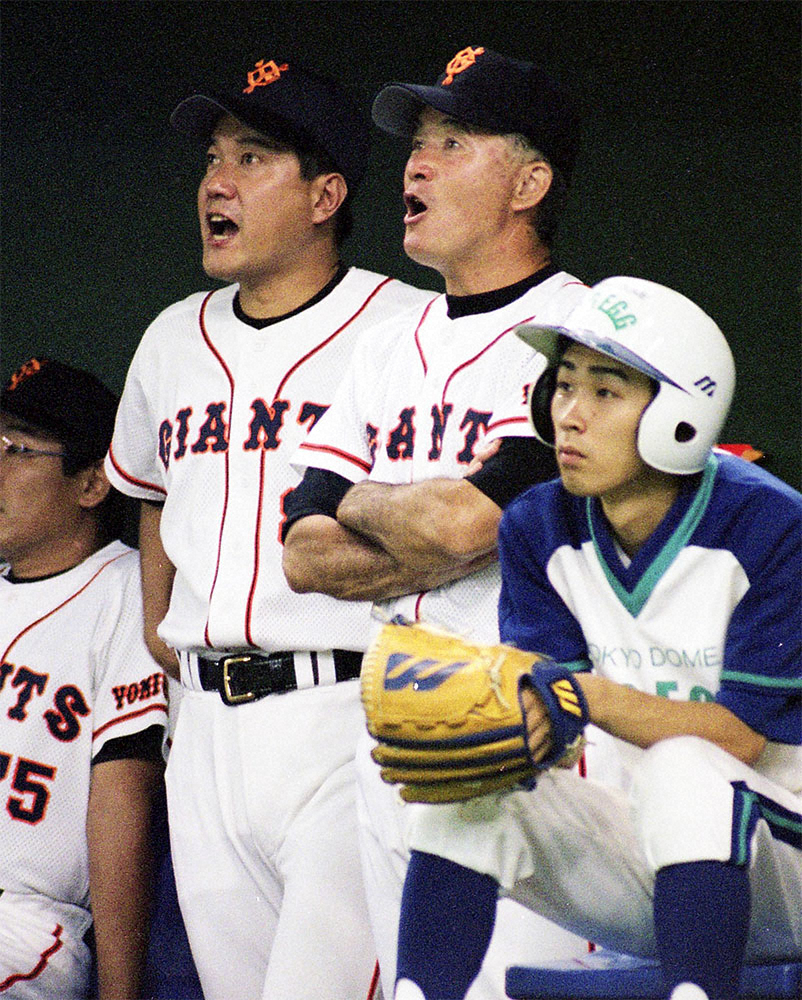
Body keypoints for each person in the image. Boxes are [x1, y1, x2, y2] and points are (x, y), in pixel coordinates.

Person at [104, 50, 433, 1000]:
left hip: (349, 710)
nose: (216, 180)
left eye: (252, 158)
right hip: (204, 726)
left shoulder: (407, 328)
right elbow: (153, 494)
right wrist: (163, 624)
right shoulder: (173, 335)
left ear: (327, 194)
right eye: (213, 157)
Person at [387, 276, 802, 1000]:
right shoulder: (536, 525)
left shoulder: (772, 525)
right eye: (563, 385)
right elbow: (561, 729)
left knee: (686, 766)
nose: (569, 416)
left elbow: (739, 739)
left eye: (605, 392)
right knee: (471, 789)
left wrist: (581, 696)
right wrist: (494, 726)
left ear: (680, 412)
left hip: (782, 862)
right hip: (657, 868)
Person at [282, 45, 591, 998]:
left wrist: (361, 503)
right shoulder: (387, 345)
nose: (416, 166)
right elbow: (299, 550)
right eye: (420, 143)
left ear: (529, 183)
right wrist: (421, 521)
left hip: (520, 734)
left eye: (454, 143)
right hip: (393, 728)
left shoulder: (579, 330)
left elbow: (469, 525)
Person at [0, 357, 169, 999]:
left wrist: (119, 993)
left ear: (93, 482)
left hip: (24, 922)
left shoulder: (131, 593)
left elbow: (122, 795)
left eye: (17, 449)